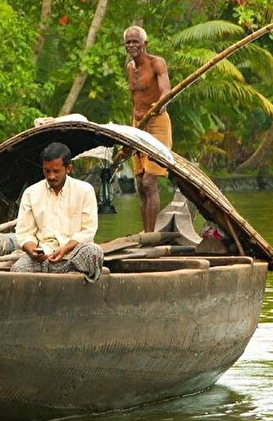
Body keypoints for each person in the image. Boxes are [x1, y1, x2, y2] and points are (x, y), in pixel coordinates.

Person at [10, 142, 105, 283]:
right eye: (47, 171)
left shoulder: (85, 191)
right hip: (42, 259)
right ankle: (64, 278)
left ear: (68, 168)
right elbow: (24, 233)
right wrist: (33, 251)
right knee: (18, 269)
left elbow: (88, 231)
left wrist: (64, 249)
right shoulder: (31, 193)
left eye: (56, 171)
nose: (51, 176)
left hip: (72, 255)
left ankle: (69, 279)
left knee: (94, 252)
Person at [124, 24, 172, 233]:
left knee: (150, 182)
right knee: (139, 184)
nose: (132, 45)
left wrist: (159, 105)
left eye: (136, 41)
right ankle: (146, 234)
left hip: (157, 123)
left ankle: (151, 236)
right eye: (128, 42)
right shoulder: (129, 68)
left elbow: (166, 91)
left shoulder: (156, 63)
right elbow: (135, 101)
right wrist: (130, 129)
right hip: (137, 127)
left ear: (145, 44)